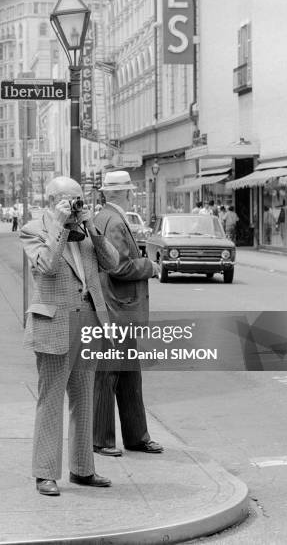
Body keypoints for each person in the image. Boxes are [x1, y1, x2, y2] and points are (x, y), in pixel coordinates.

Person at [20, 176, 119, 497]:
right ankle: (45, 473)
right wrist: (61, 226)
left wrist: (93, 229)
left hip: (88, 322)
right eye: (70, 200)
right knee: (51, 400)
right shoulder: (33, 229)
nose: (77, 205)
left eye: (80, 199)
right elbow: (46, 266)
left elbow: (113, 263)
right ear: (52, 201)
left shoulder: (86, 232)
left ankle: (83, 469)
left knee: (84, 398)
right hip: (54, 324)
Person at [93, 170, 164, 457]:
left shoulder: (105, 217)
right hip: (117, 308)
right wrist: (151, 267)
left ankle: (136, 435)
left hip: (117, 307)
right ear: (127, 193)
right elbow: (118, 267)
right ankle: (102, 439)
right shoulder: (113, 221)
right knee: (110, 374)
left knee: (128, 374)